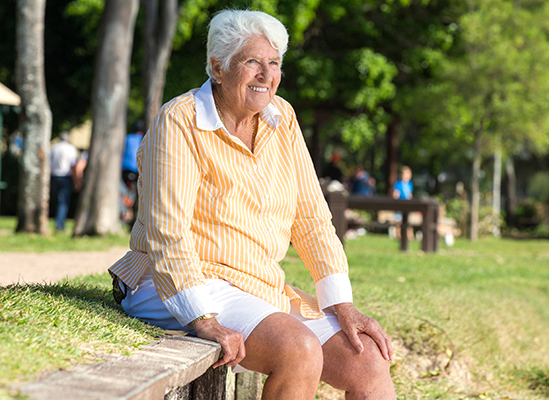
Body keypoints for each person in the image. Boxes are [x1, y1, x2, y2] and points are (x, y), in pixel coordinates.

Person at [109, 10, 395, 399]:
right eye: (252, 62)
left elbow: (311, 218)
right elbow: (168, 231)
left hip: (254, 282)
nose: (266, 74)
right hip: (180, 280)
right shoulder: (179, 120)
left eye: (274, 62)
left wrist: (342, 305)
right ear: (217, 67)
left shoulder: (283, 118)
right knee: (299, 349)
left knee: (369, 360)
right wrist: (201, 318)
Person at [49, 131, 78, 231]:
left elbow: (49, 164)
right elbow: (73, 165)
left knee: (57, 200)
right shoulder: (70, 148)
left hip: (54, 176)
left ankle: (57, 221)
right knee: (63, 202)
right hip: (65, 176)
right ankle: (60, 224)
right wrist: (76, 180)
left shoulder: (54, 148)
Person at [120, 120, 145, 224]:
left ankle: (124, 213)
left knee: (125, 192)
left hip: (124, 169)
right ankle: (130, 215)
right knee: (134, 192)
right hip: (136, 170)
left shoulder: (127, 138)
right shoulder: (143, 139)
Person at [392, 166, 414, 240]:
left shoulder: (410, 184)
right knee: (398, 220)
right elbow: (396, 194)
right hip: (400, 204)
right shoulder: (398, 184)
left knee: (408, 220)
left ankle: (410, 235)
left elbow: (410, 194)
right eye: (404, 174)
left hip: (407, 204)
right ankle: (398, 235)